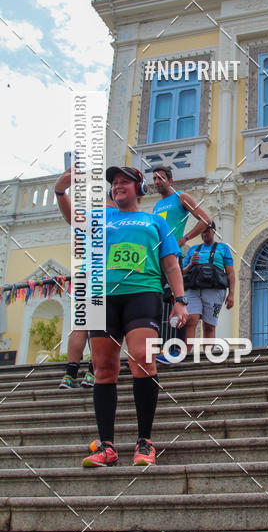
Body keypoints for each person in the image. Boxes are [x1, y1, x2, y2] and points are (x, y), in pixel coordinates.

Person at [54, 165, 188, 467]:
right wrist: (60, 191)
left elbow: (171, 265)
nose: (117, 186)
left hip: (143, 293)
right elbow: (72, 217)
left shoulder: (155, 221)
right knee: (103, 368)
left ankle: (144, 442)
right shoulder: (101, 217)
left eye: (124, 181)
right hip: (103, 297)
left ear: (138, 188)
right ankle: (107, 447)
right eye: (114, 182)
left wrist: (180, 300)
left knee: (142, 358)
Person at [152, 166, 211, 363]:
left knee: (177, 301)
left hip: (171, 256)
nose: (157, 182)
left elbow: (205, 220)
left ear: (170, 180)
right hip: (156, 258)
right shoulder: (157, 205)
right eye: (154, 178)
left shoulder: (181, 197)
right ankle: (156, 349)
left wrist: (184, 239)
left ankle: (177, 350)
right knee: (156, 301)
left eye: (161, 178)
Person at [58, 190, 116, 389]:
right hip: (105, 276)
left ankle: (69, 374)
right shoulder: (121, 216)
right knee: (102, 324)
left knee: (81, 325)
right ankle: (92, 371)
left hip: (85, 274)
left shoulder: (90, 216)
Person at [179, 222, 235, 356]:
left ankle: (208, 355)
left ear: (214, 231)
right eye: (202, 232)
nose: (205, 234)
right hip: (194, 289)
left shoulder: (223, 248)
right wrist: (190, 264)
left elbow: (230, 273)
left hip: (215, 289)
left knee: (209, 325)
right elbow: (181, 272)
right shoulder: (193, 249)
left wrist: (231, 294)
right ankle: (184, 353)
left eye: (207, 231)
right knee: (191, 319)